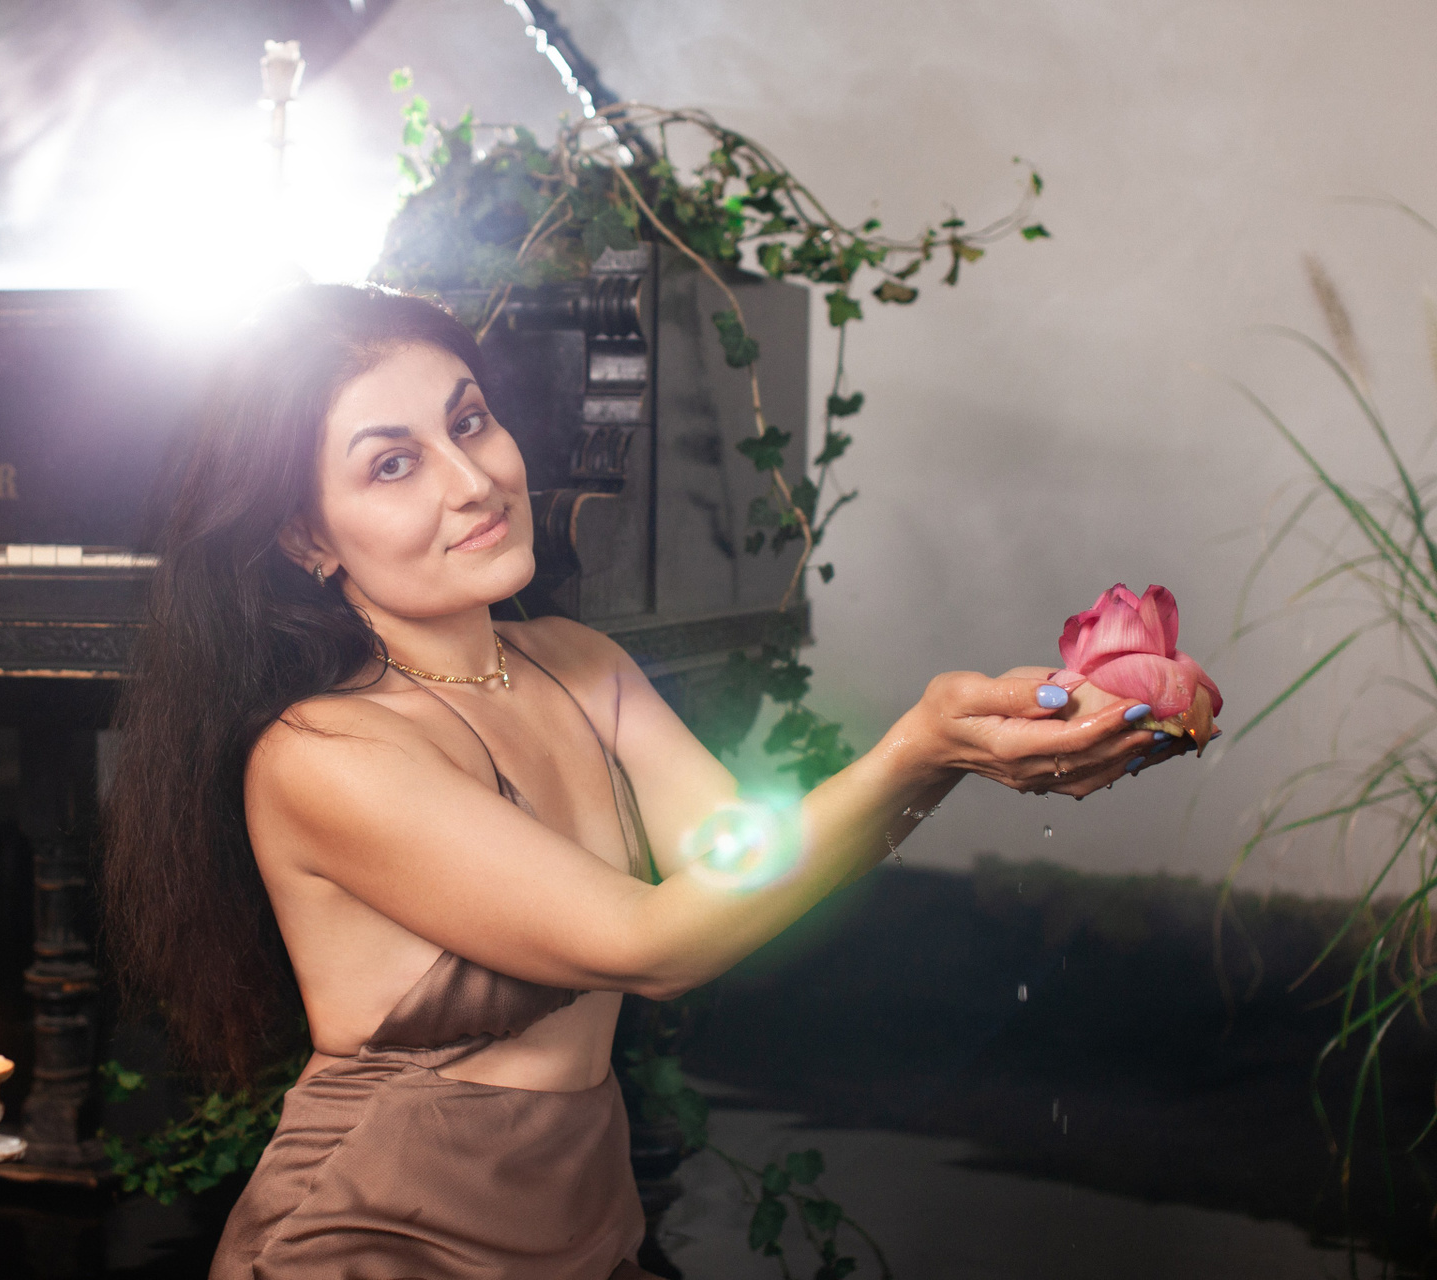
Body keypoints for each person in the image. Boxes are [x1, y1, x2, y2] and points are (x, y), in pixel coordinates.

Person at [102, 284, 1168, 1279]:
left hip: (583, 1232)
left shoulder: (582, 665)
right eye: (392, 465)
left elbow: (748, 869)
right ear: (305, 537)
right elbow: (658, 944)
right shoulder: (322, 752)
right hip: (377, 1237)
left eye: (469, 421)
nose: (472, 480)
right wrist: (917, 751)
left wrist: (964, 752)